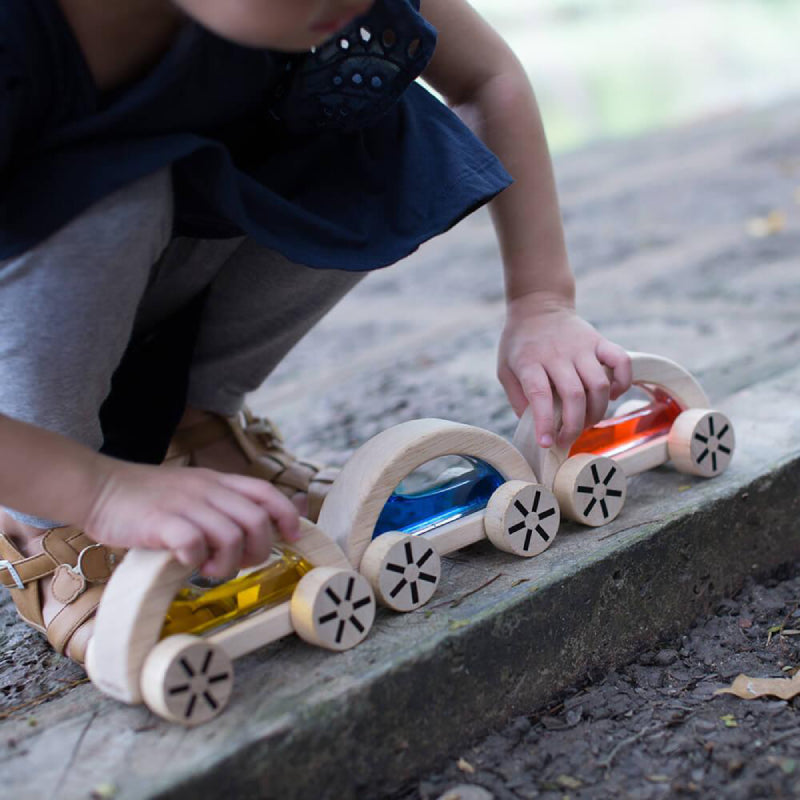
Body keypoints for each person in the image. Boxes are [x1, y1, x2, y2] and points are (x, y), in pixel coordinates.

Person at [0, 0, 632, 663]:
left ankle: (193, 426)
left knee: (365, 112)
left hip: (150, 282)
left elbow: (486, 75)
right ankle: (47, 526)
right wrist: (97, 494)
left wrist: (540, 301)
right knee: (113, 198)